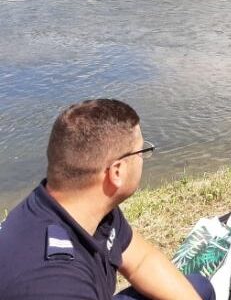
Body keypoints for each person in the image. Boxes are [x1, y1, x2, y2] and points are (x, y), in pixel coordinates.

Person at [0, 99, 215, 300]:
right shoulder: (54, 282)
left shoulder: (86, 204)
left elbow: (141, 261)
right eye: (141, 151)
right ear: (117, 172)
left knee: (198, 287)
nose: (143, 158)